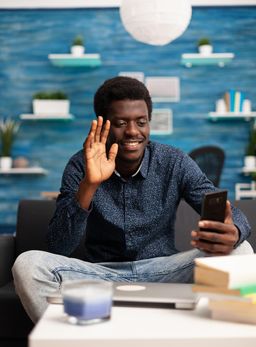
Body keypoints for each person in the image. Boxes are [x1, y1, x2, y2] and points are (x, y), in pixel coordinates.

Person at [12, 76, 252, 323]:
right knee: (27, 263)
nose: (133, 132)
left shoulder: (174, 162)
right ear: (102, 125)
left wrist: (233, 230)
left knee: (241, 250)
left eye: (141, 122)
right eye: (121, 123)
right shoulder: (80, 165)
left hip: (165, 270)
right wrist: (89, 184)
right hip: (101, 273)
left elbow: (234, 214)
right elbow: (58, 247)